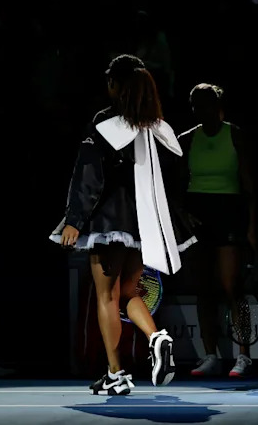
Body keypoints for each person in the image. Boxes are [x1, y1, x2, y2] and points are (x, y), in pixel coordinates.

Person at [50, 55, 196, 395]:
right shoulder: (157, 125)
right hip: (145, 222)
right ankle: (156, 336)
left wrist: (74, 220)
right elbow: (174, 177)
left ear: (116, 85)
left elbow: (89, 174)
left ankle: (116, 373)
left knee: (106, 296)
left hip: (110, 220)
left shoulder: (106, 122)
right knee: (128, 293)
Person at [177, 83, 257, 377]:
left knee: (232, 286)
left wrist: (251, 228)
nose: (201, 110)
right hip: (199, 216)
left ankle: (244, 355)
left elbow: (249, 185)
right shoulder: (186, 139)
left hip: (230, 212)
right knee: (204, 290)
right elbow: (177, 184)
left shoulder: (234, 135)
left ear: (218, 106)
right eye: (196, 105)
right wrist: (183, 214)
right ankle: (210, 355)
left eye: (206, 104)